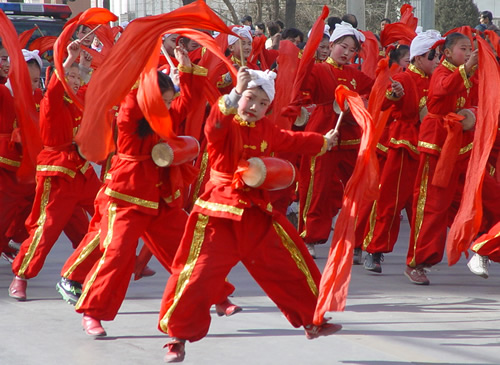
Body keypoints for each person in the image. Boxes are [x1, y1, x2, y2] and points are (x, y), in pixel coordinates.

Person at [159, 67, 341, 363]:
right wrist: (232, 95)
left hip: (257, 213)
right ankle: (177, 337)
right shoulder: (226, 122)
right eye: (249, 98)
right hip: (220, 213)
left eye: (262, 103)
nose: (254, 107)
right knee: (197, 274)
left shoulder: (267, 128)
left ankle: (312, 320)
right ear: (240, 96)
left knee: (290, 263)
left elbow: (291, 141)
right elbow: (213, 127)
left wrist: (324, 141)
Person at [8, 40, 101, 301]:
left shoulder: (79, 100)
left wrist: (84, 65)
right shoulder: (51, 102)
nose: (73, 80)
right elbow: (56, 88)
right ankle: (22, 275)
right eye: (68, 76)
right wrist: (68, 60)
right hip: (58, 172)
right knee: (45, 230)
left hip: (82, 172)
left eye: (75, 77)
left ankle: (79, 274)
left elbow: (93, 88)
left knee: (104, 220)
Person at [362, 30, 443, 273]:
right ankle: (374, 250)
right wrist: (393, 93)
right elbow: (386, 101)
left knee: (425, 205)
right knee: (390, 200)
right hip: (405, 146)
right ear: (418, 58)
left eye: (439, 56)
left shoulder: (437, 79)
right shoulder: (406, 78)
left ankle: (421, 255)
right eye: (433, 56)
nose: (438, 61)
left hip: (430, 148)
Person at [404, 32, 478, 285]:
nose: (468, 53)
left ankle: (486, 245)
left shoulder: (465, 74)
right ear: (446, 53)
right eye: (462, 48)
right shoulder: (442, 73)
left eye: (470, 49)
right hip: (436, 145)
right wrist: (467, 69)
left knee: (475, 198)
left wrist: (472, 113)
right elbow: (444, 88)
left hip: (459, 145)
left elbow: (476, 101)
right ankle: (416, 260)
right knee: (430, 206)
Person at [297, 22, 373, 259]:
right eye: (343, 46)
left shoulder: (353, 74)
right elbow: (303, 89)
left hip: (350, 139)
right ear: (331, 45)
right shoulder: (320, 70)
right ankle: (310, 236)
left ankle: (357, 241)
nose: (347, 53)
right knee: (317, 188)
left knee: (359, 190)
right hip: (323, 133)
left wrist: (391, 90)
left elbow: (375, 89)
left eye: (352, 50)